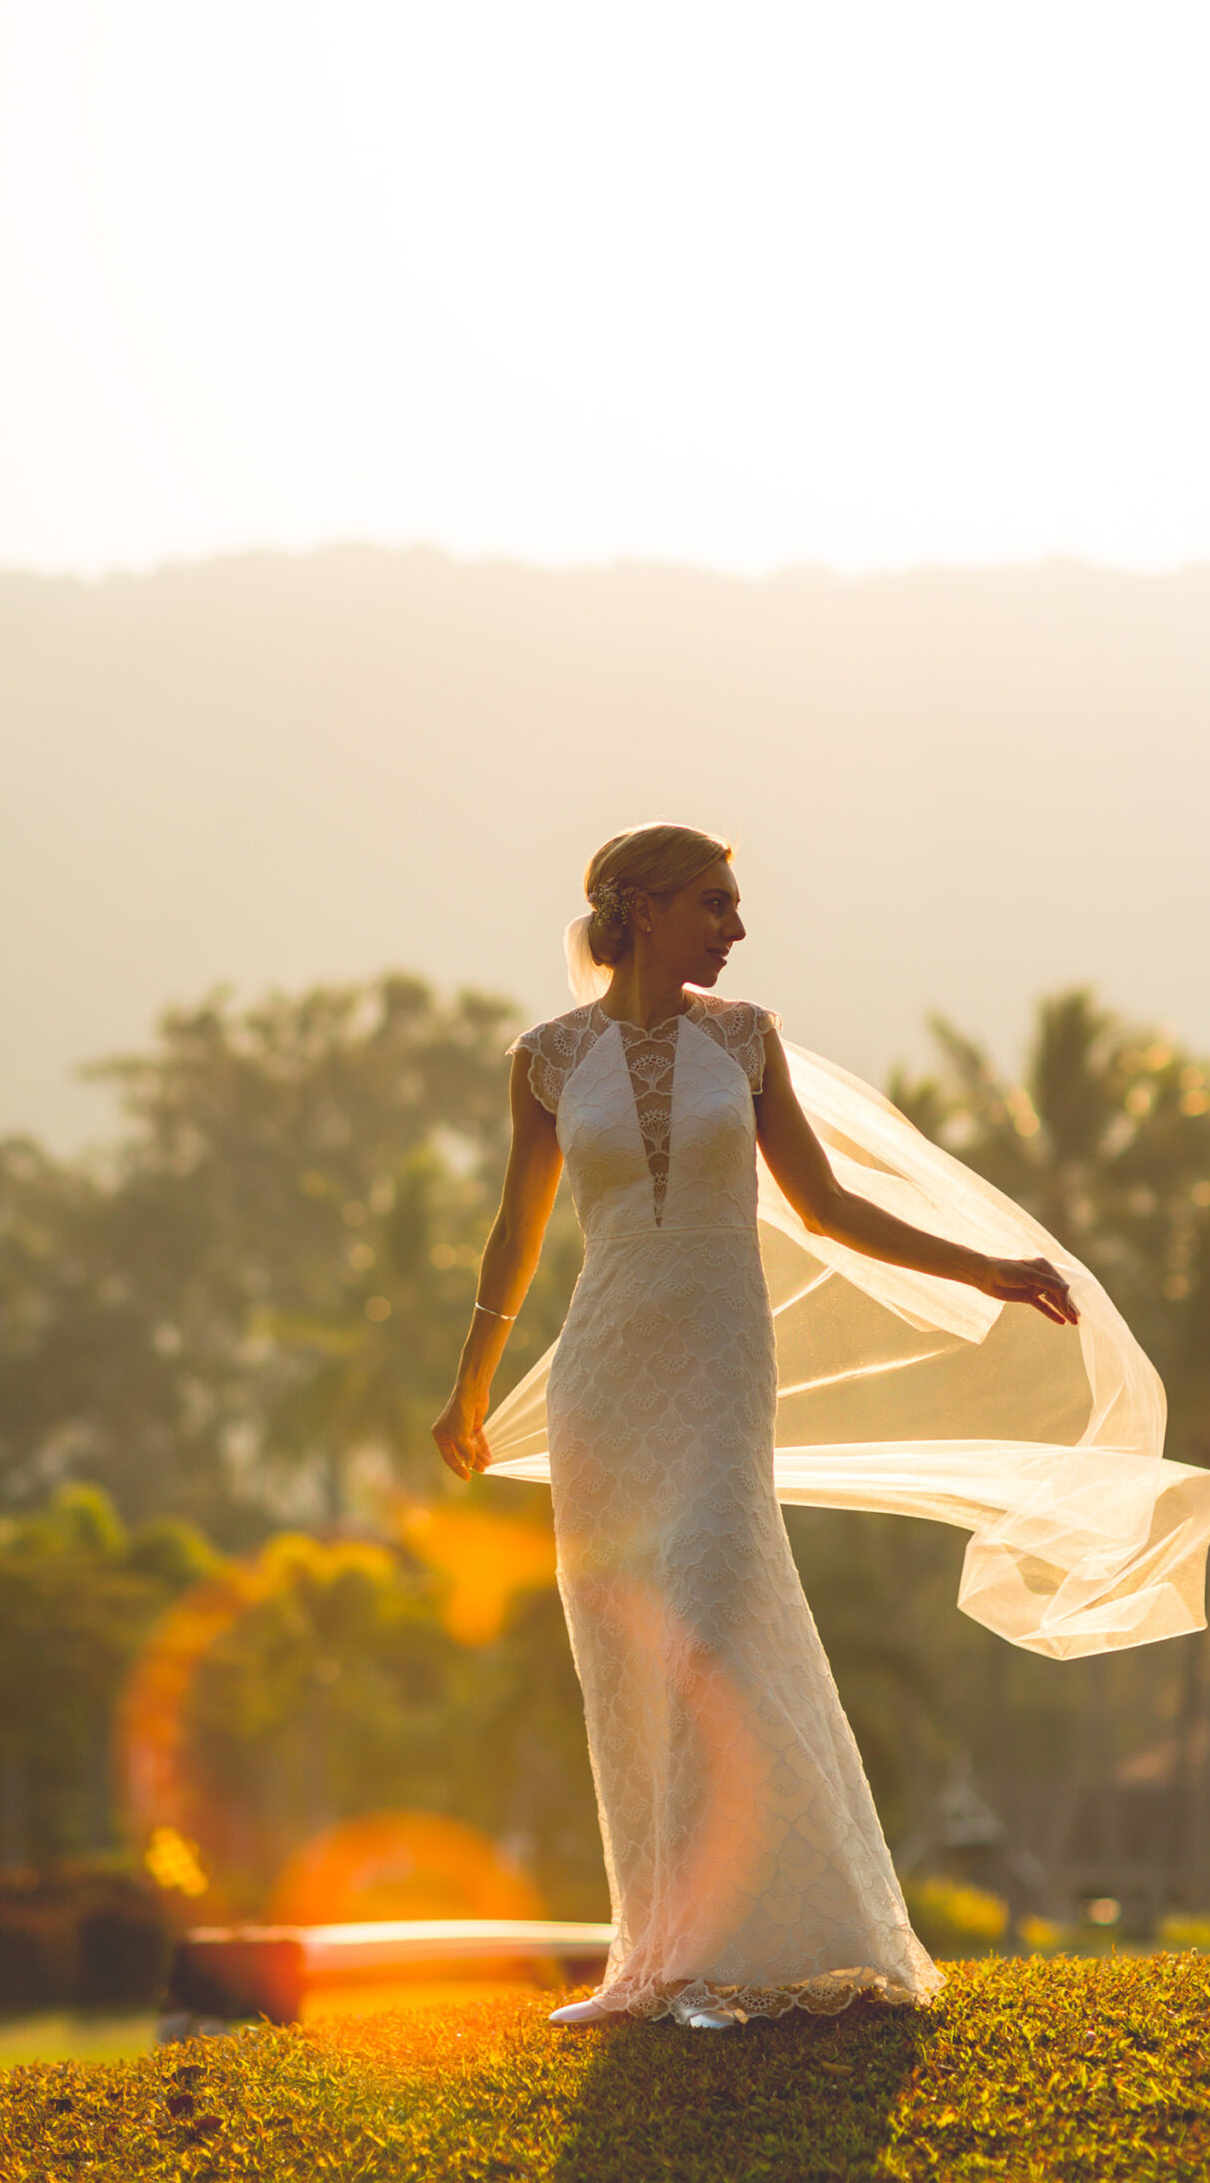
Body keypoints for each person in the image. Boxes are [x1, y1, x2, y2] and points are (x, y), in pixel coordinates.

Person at [431, 821, 1080, 2031]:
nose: (737, 928)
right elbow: (514, 1238)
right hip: (604, 1378)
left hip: (723, 1362)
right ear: (644, 912)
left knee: (715, 1614)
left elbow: (828, 1208)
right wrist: (469, 1385)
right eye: (715, 905)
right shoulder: (545, 1059)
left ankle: (713, 1958)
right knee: (625, 1657)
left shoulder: (748, 1041)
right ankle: (654, 1962)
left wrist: (983, 1268)